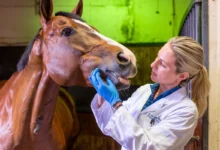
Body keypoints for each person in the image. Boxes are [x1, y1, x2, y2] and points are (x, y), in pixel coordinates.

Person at [88, 36, 211, 150]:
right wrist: (103, 94)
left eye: (162, 64)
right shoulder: (145, 90)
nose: (153, 65)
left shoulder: (185, 111)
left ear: (182, 76)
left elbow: (148, 146)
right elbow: (112, 124)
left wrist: (115, 102)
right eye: (157, 57)